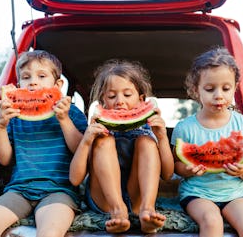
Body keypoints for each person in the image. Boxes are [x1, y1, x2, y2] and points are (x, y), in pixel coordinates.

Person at [0, 50, 88, 237]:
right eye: (26, 77)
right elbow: (4, 160)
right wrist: (0, 126)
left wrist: (64, 120)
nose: (33, 81)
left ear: (57, 85)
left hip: (58, 191)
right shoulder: (14, 117)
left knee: (49, 234)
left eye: (41, 76)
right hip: (19, 190)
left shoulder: (72, 112)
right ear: (18, 86)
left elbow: (80, 151)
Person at [69, 59, 174, 234]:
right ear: (102, 102)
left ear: (141, 100)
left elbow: (168, 174)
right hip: (104, 200)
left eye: (127, 95)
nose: (119, 101)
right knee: (105, 140)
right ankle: (118, 210)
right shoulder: (96, 130)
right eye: (111, 96)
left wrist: (161, 137)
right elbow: (75, 179)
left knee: (146, 141)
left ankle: (147, 210)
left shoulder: (149, 130)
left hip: (137, 199)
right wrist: (87, 140)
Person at [171, 47, 243, 237]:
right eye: (210, 89)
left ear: (235, 88)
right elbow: (177, 166)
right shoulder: (185, 127)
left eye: (226, 88)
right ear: (196, 90)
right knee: (212, 223)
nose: (218, 95)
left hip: (234, 194)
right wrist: (187, 170)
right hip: (196, 193)